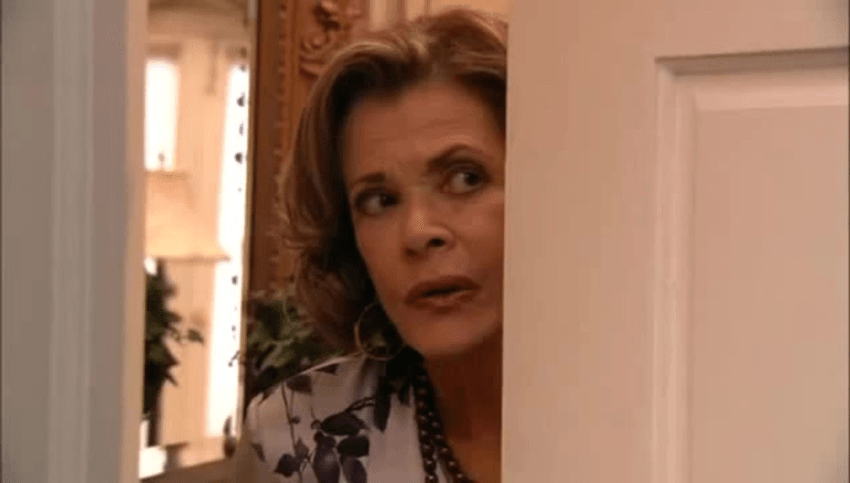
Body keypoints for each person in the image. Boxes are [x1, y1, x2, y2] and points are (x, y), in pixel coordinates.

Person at [232, 8, 506, 483]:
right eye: (379, 200)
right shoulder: (293, 437)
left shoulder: (644, 408)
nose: (418, 232)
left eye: (465, 177)